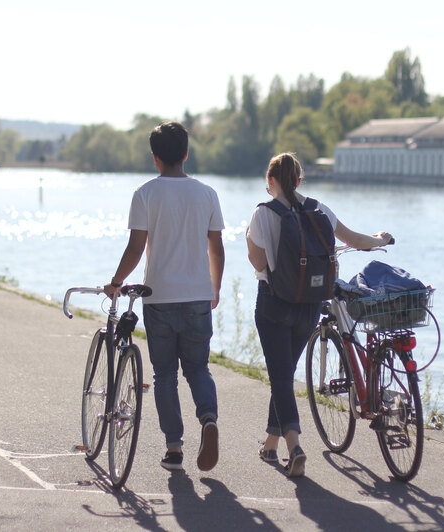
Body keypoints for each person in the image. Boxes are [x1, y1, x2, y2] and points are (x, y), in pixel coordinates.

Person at [246, 152, 392, 477]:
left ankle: (294, 446)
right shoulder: (319, 209)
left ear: (271, 181)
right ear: (299, 181)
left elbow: (258, 264)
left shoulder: (263, 214)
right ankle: (270, 445)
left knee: (281, 378)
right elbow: (354, 239)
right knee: (284, 374)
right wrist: (381, 239)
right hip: (310, 305)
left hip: (274, 303)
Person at [104, 121, 225, 472]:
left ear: (155, 158)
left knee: (164, 375)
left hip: (158, 298)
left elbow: (136, 248)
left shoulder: (145, 194)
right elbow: (215, 247)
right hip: (198, 296)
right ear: (186, 154)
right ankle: (209, 420)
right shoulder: (207, 194)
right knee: (198, 368)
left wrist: (116, 280)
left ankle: (174, 448)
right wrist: (214, 287)